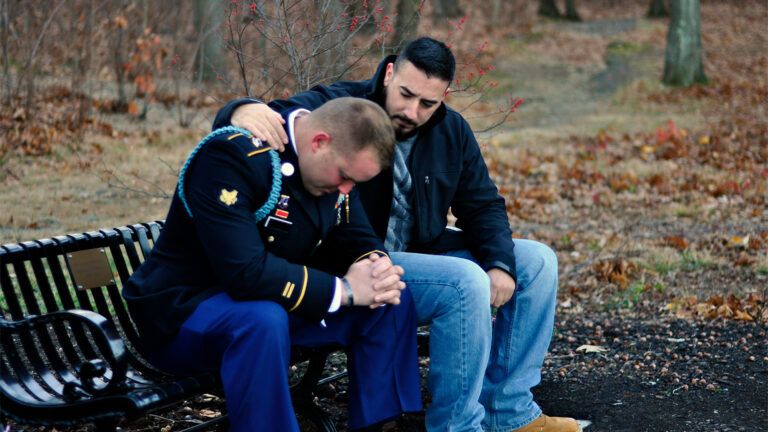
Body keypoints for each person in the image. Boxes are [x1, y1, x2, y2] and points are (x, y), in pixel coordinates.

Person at [213, 38, 580, 432]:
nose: (412, 111)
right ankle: (456, 426)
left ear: (445, 96)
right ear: (389, 73)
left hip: (423, 253)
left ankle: (507, 411)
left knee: (537, 262)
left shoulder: (451, 131)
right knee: (464, 281)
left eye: (428, 103)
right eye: (406, 94)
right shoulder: (348, 108)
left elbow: (483, 205)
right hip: (353, 262)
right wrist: (241, 108)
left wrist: (500, 264)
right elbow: (284, 121)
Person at [123, 97, 422, 432]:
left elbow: (355, 233)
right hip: (188, 311)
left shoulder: (332, 168)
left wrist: (376, 268)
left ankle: (379, 424)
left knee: (390, 301)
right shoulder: (231, 157)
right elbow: (244, 273)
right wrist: (347, 290)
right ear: (319, 141)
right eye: (344, 178)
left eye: (354, 183)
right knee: (261, 320)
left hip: (273, 303)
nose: (346, 189)